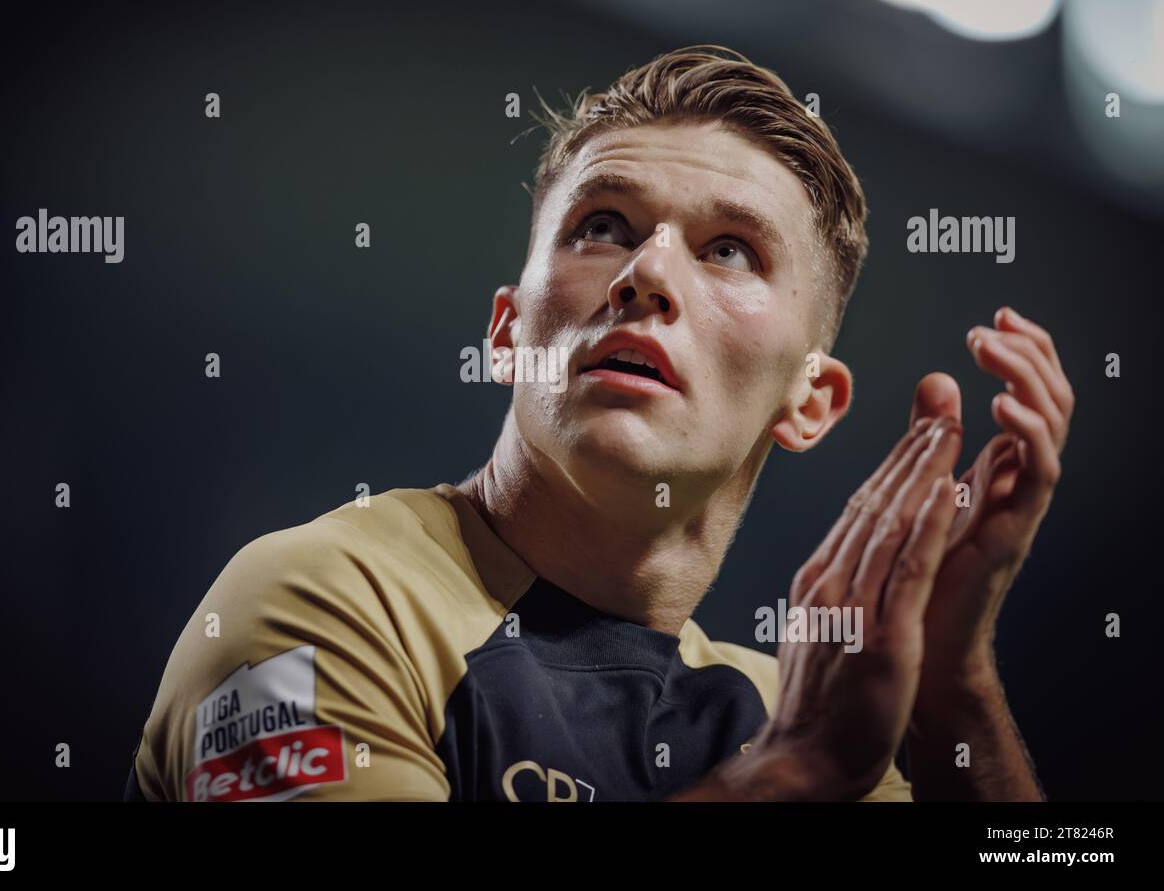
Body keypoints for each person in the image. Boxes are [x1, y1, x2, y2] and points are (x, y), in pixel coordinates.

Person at [124, 45, 1073, 802]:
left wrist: (956, 695)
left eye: (730, 249)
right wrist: (787, 780)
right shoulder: (324, 600)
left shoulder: (794, 708)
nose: (648, 273)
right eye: (605, 226)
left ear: (808, 401)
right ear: (506, 333)